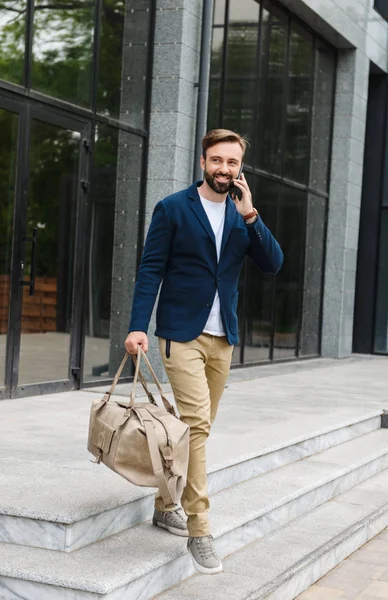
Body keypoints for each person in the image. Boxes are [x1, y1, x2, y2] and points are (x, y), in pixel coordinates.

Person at [125, 129, 283, 575]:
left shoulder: (240, 215)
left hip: (222, 339)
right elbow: (150, 268)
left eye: (232, 163)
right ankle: (200, 528)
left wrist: (251, 215)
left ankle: (163, 503)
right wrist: (138, 326)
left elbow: (273, 264)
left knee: (197, 429)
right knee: (195, 426)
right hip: (181, 335)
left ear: (240, 169)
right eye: (217, 161)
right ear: (202, 162)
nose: (224, 169)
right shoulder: (174, 208)